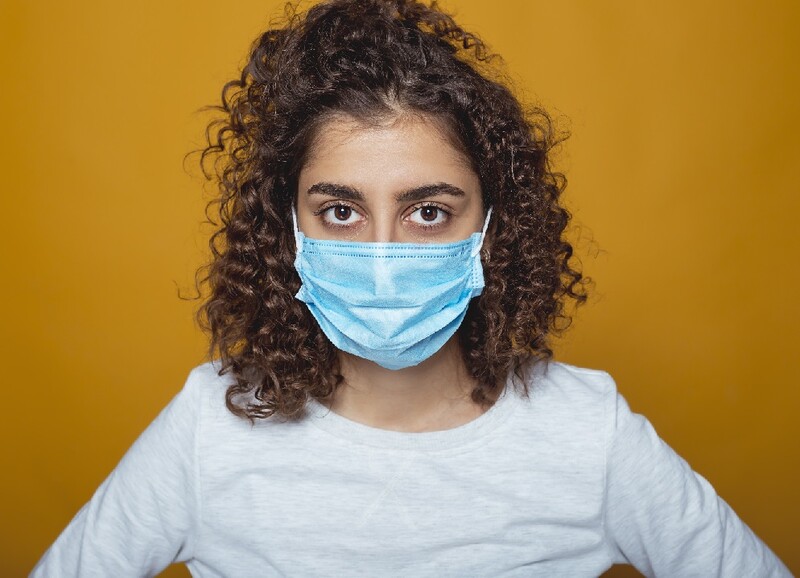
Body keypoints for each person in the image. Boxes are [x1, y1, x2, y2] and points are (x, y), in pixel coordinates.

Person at [32, 0, 791, 576]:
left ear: (490, 228)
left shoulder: (590, 434)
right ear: (288, 230)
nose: (385, 253)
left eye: (428, 211)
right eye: (340, 210)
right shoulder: (209, 430)